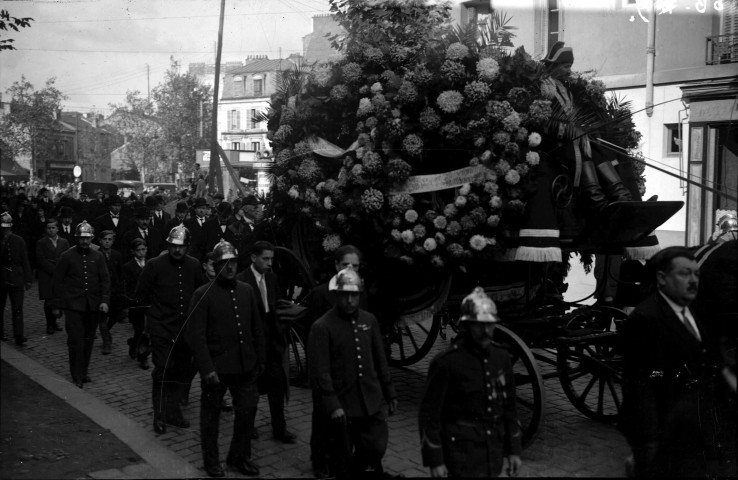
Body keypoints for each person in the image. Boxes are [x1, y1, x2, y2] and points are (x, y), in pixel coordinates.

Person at [620, 246, 736, 477]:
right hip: (664, 430)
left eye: (697, 274)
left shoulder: (690, 312)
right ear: (662, 279)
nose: (693, 281)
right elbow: (640, 385)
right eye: (684, 274)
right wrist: (648, 443)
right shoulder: (646, 319)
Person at [418, 287, 522, 478]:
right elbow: (429, 415)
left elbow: (509, 407)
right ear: (466, 326)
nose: (485, 330)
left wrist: (514, 450)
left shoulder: (501, 358)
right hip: (460, 456)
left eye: (489, 325)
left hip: (492, 454)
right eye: (478, 325)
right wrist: (435, 460)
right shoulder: (447, 362)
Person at [186, 240, 266, 478]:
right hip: (217, 369)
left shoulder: (246, 290)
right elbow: (195, 336)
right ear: (215, 265)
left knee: (247, 411)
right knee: (210, 417)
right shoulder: (203, 294)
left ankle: (238, 457)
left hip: (244, 365)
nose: (229, 268)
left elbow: (256, 328)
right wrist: (207, 368)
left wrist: (259, 358)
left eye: (232, 262)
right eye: (224, 263)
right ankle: (211, 461)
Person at [308, 266, 398, 477]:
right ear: (336, 295)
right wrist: (332, 405)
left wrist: (390, 392)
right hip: (343, 405)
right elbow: (320, 372)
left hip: (370, 399)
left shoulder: (369, 320)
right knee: (341, 460)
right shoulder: (322, 326)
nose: (350, 301)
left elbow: (380, 360)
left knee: (376, 446)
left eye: (354, 295)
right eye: (345, 295)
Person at [134, 225, 206, 434]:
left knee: (181, 371)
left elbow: (200, 294)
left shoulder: (194, 265)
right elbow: (141, 294)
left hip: (185, 330)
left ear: (187, 247)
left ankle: (173, 412)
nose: (177, 250)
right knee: (163, 370)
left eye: (181, 246)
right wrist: (153, 319)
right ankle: (159, 414)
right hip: (162, 328)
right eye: (174, 246)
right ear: (168, 245)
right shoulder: (155, 265)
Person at [307, 244, 369, 478]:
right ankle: (319, 460)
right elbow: (312, 338)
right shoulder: (321, 294)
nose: (350, 269)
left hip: (350, 369)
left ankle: (341, 459)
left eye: (355, 266)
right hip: (326, 369)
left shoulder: (361, 293)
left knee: (348, 418)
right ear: (335, 266)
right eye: (345, 265)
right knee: (323, 416)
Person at [236, 241, 296, 443]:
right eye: (266, 259)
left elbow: (276, 306)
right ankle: (248, 425)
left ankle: (279, 429)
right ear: (254, 258)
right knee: (251, 389)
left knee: (277, 386)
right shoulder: (241, 281)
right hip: (253, 345)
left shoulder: (272, 278)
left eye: (272, 259)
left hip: (272, 343)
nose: (270, 263)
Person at [51, 221, 111, 388]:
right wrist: (56, 305)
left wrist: (105, 301)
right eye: (81, 238)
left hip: (92, 306)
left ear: (92, 238)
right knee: (76, 341)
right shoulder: (67, 256)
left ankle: (84, 372)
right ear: (76, 238)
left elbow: (105, 280)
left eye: (87, 238)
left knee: (88, 340)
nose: (84, 242)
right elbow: (57, 282)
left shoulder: (98, 256)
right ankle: (76, 374)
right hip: (73, 306)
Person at [1, 211, 33, 345]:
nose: (5, 230)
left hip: (17, 277)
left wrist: (28, 279)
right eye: (3, 228)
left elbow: (25, 259)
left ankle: (18, 334)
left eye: (7, 228)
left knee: (17, 307)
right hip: (1, 277)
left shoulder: (19, 240)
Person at [35, 218, 69, 335]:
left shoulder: (64, 242)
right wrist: (55, 270)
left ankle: (55, 322)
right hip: (47, 275)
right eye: (49, 228)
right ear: (46, 229)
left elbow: (67, 257)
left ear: (58, 229)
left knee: (58, 298)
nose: (51, 230)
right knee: (49, 300)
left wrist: (63, 271)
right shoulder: (41, 242)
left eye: (53, 227)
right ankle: (49, 324)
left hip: (60, 275)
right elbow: (41, 260)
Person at [122, 238, 150, 370]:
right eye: (138, 250)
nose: (141, 252)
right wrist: (129, 302)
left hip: (149, 302)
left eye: (143, 249)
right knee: (139, 329)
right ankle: (134, 345)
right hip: (136, 303)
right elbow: (126, 286)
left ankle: (143, 357)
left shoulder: (151, 264)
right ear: (133, 252)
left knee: (147, 331)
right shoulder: (128, 266)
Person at [96, 230, 124, 355]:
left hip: (115, 291)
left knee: (114, 316)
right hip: (102, 291)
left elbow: (121, 274)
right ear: (100, 241)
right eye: (105, 239)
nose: (107, 242)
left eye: (110, 239)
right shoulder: (96, 255)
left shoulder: (117, 255)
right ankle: (106, 342)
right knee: (102, 318)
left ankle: (106, 332)